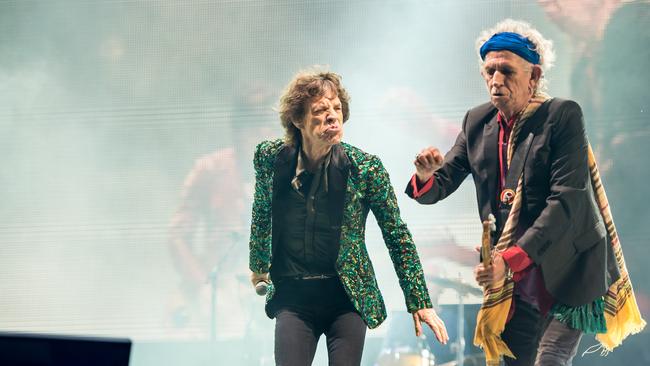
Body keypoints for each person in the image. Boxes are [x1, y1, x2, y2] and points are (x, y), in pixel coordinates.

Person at [405, 19, 645, 365]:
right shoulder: (476, 121)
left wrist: (508, 260)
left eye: (506, 70)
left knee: (550, 358)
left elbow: (566, 199)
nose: (496, 80)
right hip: (517, 281)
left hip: (568, 267)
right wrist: (426, 176)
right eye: (489, 71)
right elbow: (440, 185)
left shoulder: (561, 115)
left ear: (534, 76)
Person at [248, 69, 448, 365]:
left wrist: (419, 300)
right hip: (294, 297)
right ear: (298, 120)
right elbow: (262, 213)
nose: (332, 116)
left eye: (337, 108)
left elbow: (396, 233)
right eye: (320, 110)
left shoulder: (365, 168)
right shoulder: (271, 158)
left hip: (346, 297)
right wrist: (258, 266)